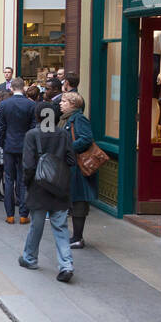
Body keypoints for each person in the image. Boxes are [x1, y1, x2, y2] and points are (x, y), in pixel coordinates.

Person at [20, 100, 77, 282]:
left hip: (38, 187)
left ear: (37, 116)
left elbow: (28, 166)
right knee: (60, 227)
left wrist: (26, 184)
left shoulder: (32, 135)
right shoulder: (63, 134)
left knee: (36, 226)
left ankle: (30, 258)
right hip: (59, 187)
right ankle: (66, 265)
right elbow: (71, 159)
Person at [0, 77, 37, 225]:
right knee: (23, 180)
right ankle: (23, 214)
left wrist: (3, 143)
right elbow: (33, 127)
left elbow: (1, 127)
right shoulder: (30, 105)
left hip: (9, 145)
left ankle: (9, 215)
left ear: (11, 88)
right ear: (24, 87)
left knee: (8, 180)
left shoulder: (4, 104)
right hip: (25, 147)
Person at [60, 92, 96, 249]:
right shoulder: (67, 118)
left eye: (64, 101)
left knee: (79, 201)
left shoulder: (78, 118)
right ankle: (75, 236)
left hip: (79, 167)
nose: (61, 103)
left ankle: (77, 237)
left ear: (73, 104)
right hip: (71, 166)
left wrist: (67, 148)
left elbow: (87, 138)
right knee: (73, 200)